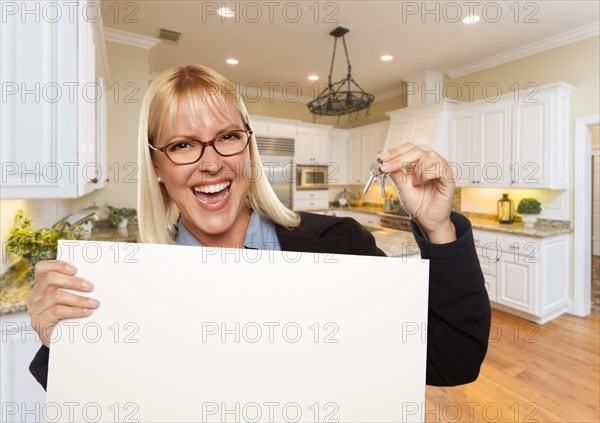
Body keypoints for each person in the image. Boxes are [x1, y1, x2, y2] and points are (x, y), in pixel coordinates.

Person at [28, 65, 491, 390]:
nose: (211, 163)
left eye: (228, 137)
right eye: (184, 144)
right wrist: (61, 342)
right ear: (156, 167)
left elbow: (453, 360)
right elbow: (94, 398)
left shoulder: (341, 244)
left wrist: (437, 227)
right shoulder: (123, 283)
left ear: (248, 148)